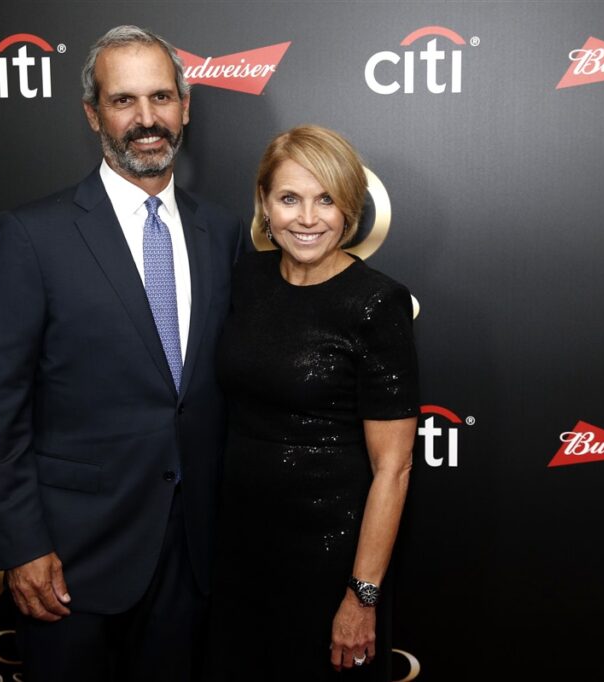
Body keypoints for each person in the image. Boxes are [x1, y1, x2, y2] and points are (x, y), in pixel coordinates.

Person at [0, 25, 244, 682]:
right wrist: (23, 546)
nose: (147, 119)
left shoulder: (222, 231)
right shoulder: (33, 236)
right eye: (124, 101)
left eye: (161, 97)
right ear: (93, 114)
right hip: (70, 560)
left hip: (191, 557)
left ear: (185, 106)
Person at [210, 125, 419, 680]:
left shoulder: (376, 303)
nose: (307, 218)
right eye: (289, 198)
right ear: (264, 204)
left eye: (325, 199)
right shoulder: (245, 279)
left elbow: (393, 468)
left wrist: (361, 595)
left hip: (329, 558)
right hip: (236, 549)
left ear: (349, 208)